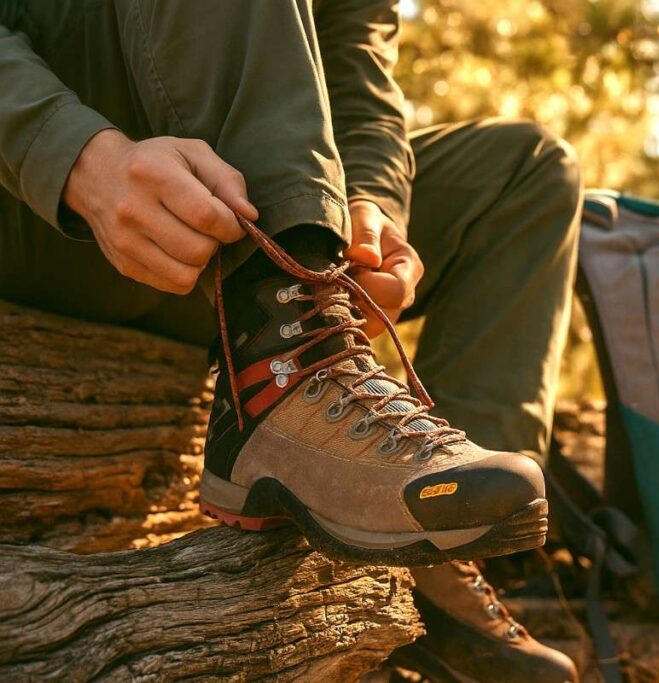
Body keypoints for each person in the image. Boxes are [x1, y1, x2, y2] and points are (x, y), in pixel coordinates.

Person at [0, 1, 581, 680]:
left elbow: (355, 64)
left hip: (224, 222)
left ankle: (437, 539)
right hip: (43, 198)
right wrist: (75, 155)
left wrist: (368, 204)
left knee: (526, 170)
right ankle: (277, 377)